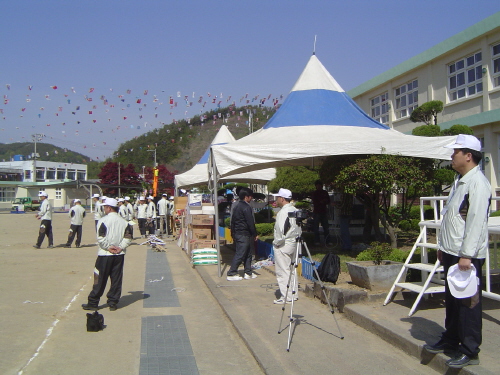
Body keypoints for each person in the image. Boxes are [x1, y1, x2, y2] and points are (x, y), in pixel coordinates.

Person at [423, 134, 490, 369]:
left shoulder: (478, 184)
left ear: (468, 156)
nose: (452, 157)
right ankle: (451, 340)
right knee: (451, 300)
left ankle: (470, 350)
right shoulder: (459, 180)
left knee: (468, 304)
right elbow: (451, 217)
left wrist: (466, 255)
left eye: (455, 153)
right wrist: (442, 247)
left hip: (466, 255)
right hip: (452, 251)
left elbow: (475, 223)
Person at [82, 198, 132, 311]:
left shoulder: (103, 221)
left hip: (105, 254)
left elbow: (100, 237)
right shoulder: (124, 222)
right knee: (116, 278)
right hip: (119, 255)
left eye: (105, 207)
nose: (104, 209)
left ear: (109, 208)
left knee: (99, 278)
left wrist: (108, 247)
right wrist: (120, 247)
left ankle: (93, 302)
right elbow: (128, 237)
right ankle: (113, 302)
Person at [272, 188, 300, 304]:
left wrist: (276, 243)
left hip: (283, 244)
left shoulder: (283, 212)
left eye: (277, 197)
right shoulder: (295, 209)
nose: (276, 199)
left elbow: (280, 230)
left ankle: (287, 296)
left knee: (283, 271)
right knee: (291, 269)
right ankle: (293, 294)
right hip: (293, 242)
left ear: (282, 198)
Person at [227, 187, 258, 281]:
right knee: (241, 253)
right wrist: (255, 234)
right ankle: (232, 273)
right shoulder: (246, 207)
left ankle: (248, 272)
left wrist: (232, 233)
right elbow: (250, 222)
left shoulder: (236, 206)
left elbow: (232, 221)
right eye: (250, 197)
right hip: (243, 233)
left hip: (240, 233)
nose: (251, 198)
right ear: (246, 197)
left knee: (248, 253)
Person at [311, 180, 331, 245]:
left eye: (320, 185)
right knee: (316, 227)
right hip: (317, 211)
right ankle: (317, 241)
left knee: (326, 227)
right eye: (317, 185)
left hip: (323, 211)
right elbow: (315, 201)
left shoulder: (325, 192)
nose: (319, 186)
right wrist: (321, 201)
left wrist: (324, 201)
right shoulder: (315, 193)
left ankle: (327, 241)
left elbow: (328, 200)